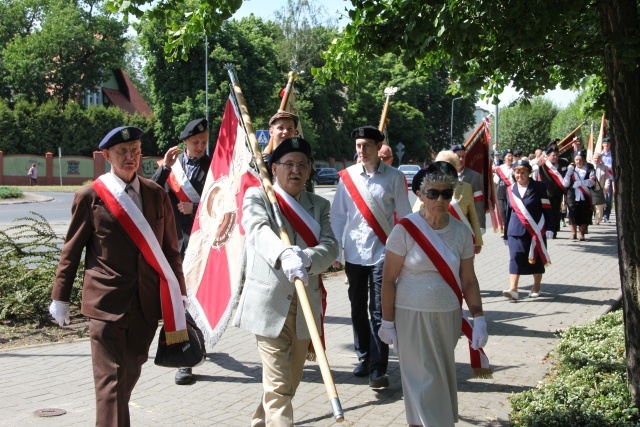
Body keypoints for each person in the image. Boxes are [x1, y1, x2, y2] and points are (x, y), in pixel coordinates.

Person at [49, 126, 187, 426]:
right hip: (105, 303)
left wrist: (181, 293)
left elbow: (170, 251)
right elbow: (71, 251)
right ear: (106, 155)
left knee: (129, 372)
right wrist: (60, 297)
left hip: (146, 304)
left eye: (136, 150)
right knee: (110, 381)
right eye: (123, 151)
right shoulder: (90, 196)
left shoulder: (156, 194)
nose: (130, 157)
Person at [233, 137, 338, 426]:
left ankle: (258, 422)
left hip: (306, 308)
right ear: (275, 169)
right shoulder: (259, 197)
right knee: (279, 387)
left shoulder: (319, 205)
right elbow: (257, 230)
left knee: (288, 384)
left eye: (302, 165)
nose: (295, 170)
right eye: (288, 164)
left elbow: (331, 247)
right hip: (269, 305)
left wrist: (305, 258)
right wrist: (283, 254)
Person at [379, 161, 488, 426]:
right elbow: (389, 280)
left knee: (440, 374)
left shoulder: (462, 232)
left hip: (448, 315)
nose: (440, 199)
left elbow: (469, 280)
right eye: (433, 193)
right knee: (422, 377)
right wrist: (387, 321)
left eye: (446, 193)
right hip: (410, 315)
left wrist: (479, 317)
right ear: (420, 194)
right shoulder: (404, 230)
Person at [330, 125, 412, 389]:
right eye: (358, 146)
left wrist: (406, 252)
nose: (361, 150)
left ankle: (379, 369)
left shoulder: (395, 178)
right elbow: (339, 216)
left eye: (366, 145)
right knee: (356, 307)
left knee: (379, 309)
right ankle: (363, 357)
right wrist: (336, 251)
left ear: (379, 147)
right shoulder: (347, 177)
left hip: (382, 253)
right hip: (354, 253)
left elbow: (405, 216)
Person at [151, 118, 211, 385]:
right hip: (173, 244)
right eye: (196, 142)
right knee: (176, 302)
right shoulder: (173, 167)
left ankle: (186, 356)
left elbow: (222, 205)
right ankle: (182, 352)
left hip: (201, 245)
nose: (200, 147)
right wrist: (165, 167)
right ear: (185, 142)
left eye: (204, 142)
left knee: (194, 302)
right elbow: (150, 194)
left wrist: (194, 209)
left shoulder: (212, 167)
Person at [502, 159, 555, 300]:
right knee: (515, 257)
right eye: (517, 172)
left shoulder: (539, 187)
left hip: (535, 230)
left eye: (523, 172)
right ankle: (513, 288)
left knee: (535, 258)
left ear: (529, 173)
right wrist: (506, 233)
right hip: (515, 231)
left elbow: (547, 208)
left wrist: (550, 227)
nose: (520, 175)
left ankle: (536, 285)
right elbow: (507, 213)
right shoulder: (510, 189)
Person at [414, 151, 483, 254]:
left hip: (459, 237)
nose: (444, 168)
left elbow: (473, 216)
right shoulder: (427, 188)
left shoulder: (466, 188)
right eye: (441, 165)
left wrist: (477, 241)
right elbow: (416, 211)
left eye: (449, 165)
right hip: (434, 235)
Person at [451, 144, 486, 232]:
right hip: (448, 221)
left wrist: (481, 225)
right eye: (458, 156)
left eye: (463, 156)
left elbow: (478, 202)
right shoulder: (444, 175)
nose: (461, 159)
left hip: (466, 223)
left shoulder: (475, 176)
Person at [536, 142, 568, 238]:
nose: (555, 157)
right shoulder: (543, 164)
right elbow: (536, 164)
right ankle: (546, 229)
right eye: (553, 155)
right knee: (546, 212)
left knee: (556, 212)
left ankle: (554, 230)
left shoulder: (563, 163)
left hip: (558, 192)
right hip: (546, 192)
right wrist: (542, 157)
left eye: (556, 155)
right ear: (548, 156)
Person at [563, 150, 596, 241]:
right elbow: (565, 183)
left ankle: (581, 234)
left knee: (585, 214)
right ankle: (573, 233)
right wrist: (569, 171)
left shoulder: (590, 168)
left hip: (585, 196)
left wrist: (580, 183)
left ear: (584, 160)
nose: (578, 162)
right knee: (572, 214)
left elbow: (592, 181)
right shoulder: (571, 169)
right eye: (576, 160)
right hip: (572, 196)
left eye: (580, 159)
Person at [494, 148, 514, 226]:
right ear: (504, 157)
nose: (511, 158)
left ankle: (511, 228)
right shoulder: (500, 168)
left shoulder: (516, 167)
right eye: (509, 156)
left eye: (512, 156)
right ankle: (505, 228)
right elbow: (495, 182)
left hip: (513, 194)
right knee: (503, 212)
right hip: (502, 194)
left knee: (512, 211)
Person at [592, 152, 610, 225]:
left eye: (598, 158)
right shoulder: (589, 166)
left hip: (600, 188)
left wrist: (607, 186)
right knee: (591, 204)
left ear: (600, 159)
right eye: (595, 158)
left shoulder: (604, 167)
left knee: (599, 204)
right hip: (591, 187)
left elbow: (607, 178)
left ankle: (597, 219)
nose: (596, 159)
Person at [601, 137, 614, 222]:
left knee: (609, 198)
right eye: (605, 143)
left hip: (610, 178)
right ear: (602, 144)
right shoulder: (599, 155)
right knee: (600, 197)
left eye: (608, 143)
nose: (606, 145)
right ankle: (599, 215)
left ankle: (606, 215)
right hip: (601, 178)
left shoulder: (612, 155)